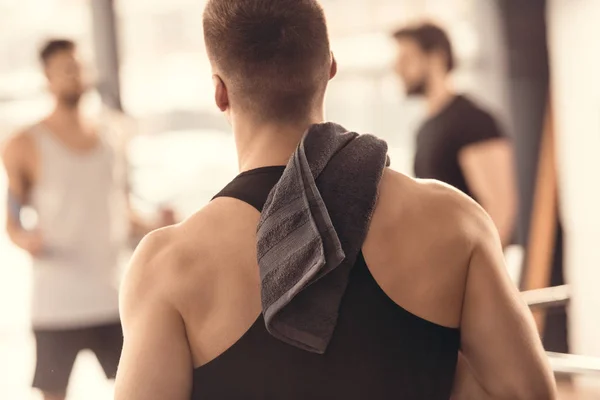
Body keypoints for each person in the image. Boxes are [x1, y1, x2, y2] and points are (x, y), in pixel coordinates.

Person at [115, 1, 555, 399]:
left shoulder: (166, 265)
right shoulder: (453, 219)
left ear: (219, 91)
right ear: (329, 68)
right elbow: (530, 394)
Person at [1, 39, 174, 400]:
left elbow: (121, 212)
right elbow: (13, 221)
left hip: (114, 297)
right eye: (65, 69)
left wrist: (160, 224)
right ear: (47, 78)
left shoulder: (113, 136)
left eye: (79, 67)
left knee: (141, 390)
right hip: (56, 304)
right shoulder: (24, 143)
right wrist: (26, 240)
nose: (74, 75)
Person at [392, 23, 518, 247]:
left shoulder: (473, 121)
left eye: (406, 58)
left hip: (470, 269)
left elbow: (501, 209)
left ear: (436, 58)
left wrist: (475, 273)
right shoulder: (424, 129)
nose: (397, 68)